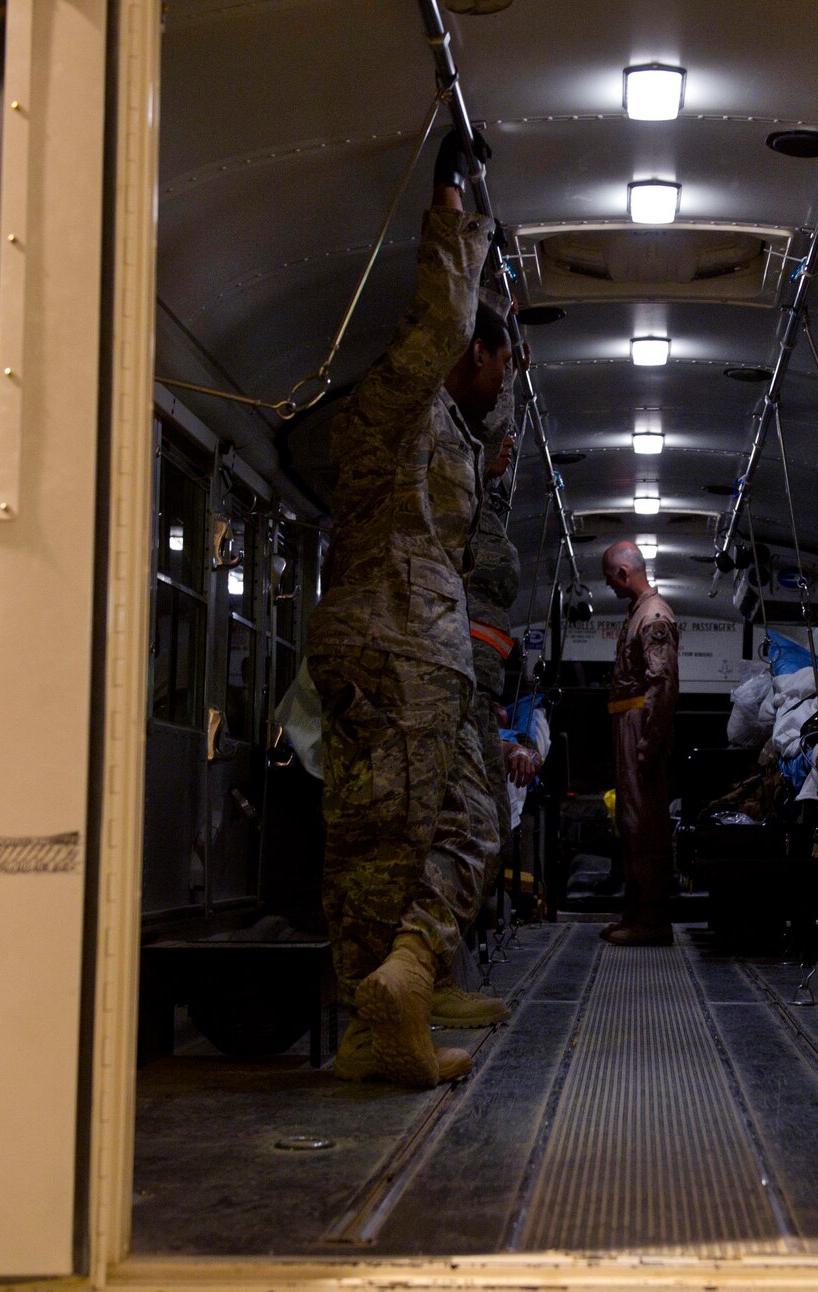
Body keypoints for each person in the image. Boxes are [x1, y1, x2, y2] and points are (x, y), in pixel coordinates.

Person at [304, 126, 509, 1088]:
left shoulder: (427, 431)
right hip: (400, 640)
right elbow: (434, 327)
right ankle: (395, 993)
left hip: (376, 634)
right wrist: (456, 210)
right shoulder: (396, 400)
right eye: (496, 366)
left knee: (405, 827)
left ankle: (392, 995)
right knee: (411, 832)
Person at [426, 395, 523, 1029]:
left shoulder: (489, 505)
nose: (510, 450)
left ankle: (435, 968)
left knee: (483, 825)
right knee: (470, 826)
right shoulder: (447, 500)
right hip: (445, 684)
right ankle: (427, 972)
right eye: (500, 438)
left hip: (477, 695)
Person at [598, 541, 681, 946]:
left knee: (645, 823)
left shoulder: (652, 616)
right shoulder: (638, 613)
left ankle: (652, 921)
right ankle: (635, 912)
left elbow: (661, 683)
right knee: (630, 821)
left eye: (610, 578)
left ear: (624, 574)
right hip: (628, 726)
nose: (610, 587)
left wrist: (648, 740)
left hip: (639, 728)